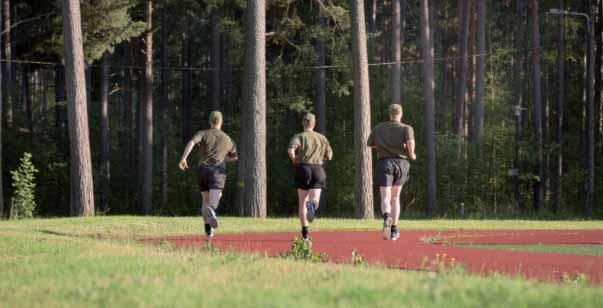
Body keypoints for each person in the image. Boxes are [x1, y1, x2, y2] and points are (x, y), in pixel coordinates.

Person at [179, 111, 237, 239]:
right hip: (217, 170)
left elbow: (192, 142)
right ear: (221, 122)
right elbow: (234, 157)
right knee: (217, 195)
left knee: (205, 198)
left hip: (202, 170)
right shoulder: (228, 139)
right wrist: (223, 158)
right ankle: (212, 209)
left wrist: (184, 158)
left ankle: (208, 228)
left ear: (210, 121)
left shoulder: (203, 133)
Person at [367, 104, 416, 241]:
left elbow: (369, 143)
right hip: (401, 163)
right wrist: (411, 154)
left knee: (385, 198)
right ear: (401, 114)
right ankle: (394, 230)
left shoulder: (378, 128)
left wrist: (382, 146)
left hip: (384, 163)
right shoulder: (407, 128)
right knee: (395, 198)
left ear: (389, 114)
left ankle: (386, 217)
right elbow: (411, 145)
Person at [288, 113, 333, 240]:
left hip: (303, 168)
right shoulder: (322, 138)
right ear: (314, 124)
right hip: (318, 169)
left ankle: (305, 233)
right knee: (315, 199)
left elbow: (290, 151)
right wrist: (320, 157)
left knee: (302, 202)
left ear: (303, 123)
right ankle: (312, 205)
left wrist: (294, 159)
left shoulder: (299, 137)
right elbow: (329, 156)